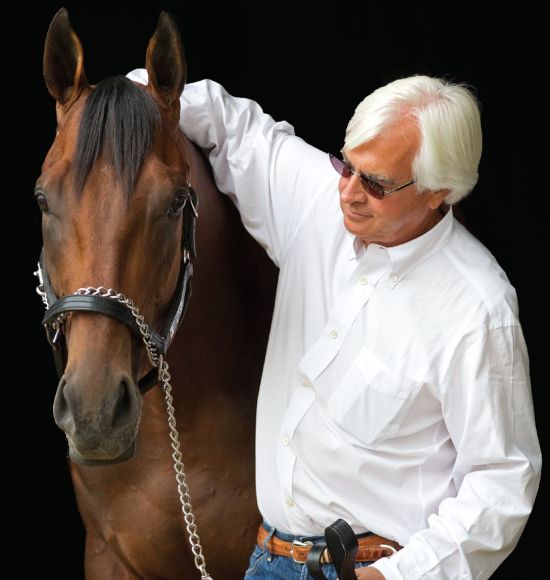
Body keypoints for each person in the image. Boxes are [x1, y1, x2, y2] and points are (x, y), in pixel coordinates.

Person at [128, 69, 541, 579]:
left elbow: (501, 480)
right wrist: (125, 103)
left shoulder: (478, 309)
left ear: (440, 191)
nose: (348, 193)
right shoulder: (319, 203)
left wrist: (398, 575)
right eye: (346, 165)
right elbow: (232, 126)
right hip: (267, 561)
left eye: (376, 183)